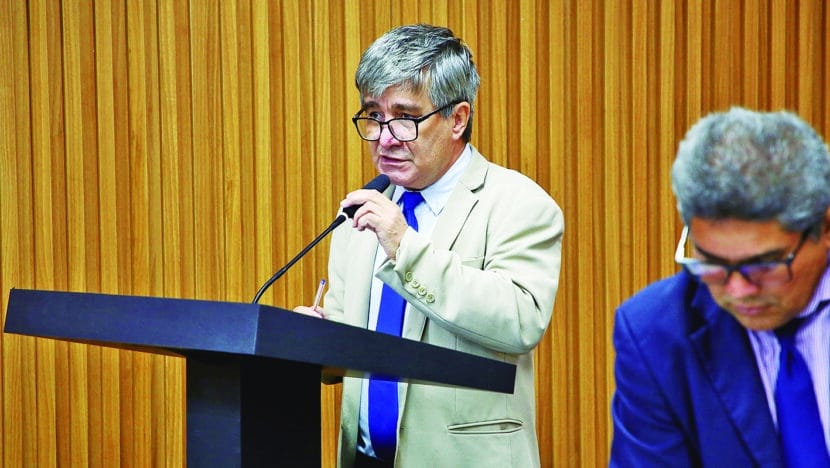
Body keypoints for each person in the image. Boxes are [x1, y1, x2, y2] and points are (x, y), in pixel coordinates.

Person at [293, 24, 563, 467]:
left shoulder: (517, 204)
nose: (385, 137)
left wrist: (403, 244)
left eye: (404, 117)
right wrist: (310, 339)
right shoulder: (359, 214)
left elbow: (519, 320)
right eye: (373, 117)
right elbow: (352, 344)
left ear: (457, 118)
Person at [610, 107, 830, 466]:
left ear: (825, 227)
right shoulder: (656, 336)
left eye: (764, 265)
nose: (738, 290)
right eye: (712, 262)